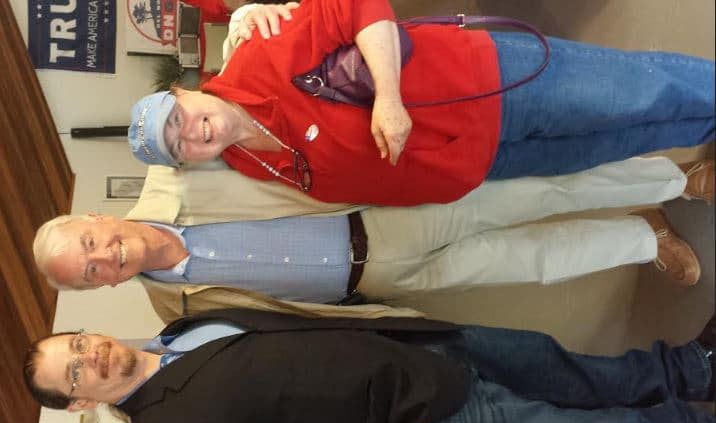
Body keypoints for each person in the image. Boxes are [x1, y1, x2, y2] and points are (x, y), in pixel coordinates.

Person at [23, 308, 716, 423]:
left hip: (430, 353)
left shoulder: (181, 329)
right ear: (80, 405)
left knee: (570, 371)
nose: (91, 356)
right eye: (74, 373)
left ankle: (691, 368)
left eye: (77, 344)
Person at [128, 0, 714, 206]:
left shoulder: (257, 56)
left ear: (184, 90)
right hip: (480, 164)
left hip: (484, 85)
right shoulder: (246, 163)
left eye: (179, 117)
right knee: (617, 141)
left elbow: (355, 6)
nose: (192, 132)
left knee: (640, 89)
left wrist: (388, 96)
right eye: (179, 145)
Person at [33, 156, 712, 322]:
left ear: (94, 219)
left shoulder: (175, 175)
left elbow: (239, 108)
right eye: (89, 273)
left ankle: (673, 179)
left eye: (89, 245)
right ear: (101, 288)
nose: (103, 258)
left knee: (539, 191)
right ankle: (641, 239)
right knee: (527, 262)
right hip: (379, 280)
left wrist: (249, 20)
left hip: (385, 213)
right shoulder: (176, 312)